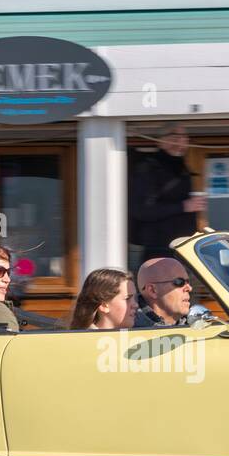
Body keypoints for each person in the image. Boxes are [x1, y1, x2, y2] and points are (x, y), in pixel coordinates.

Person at [128, 124, 206, 264]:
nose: (180, 141)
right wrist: (183, 206)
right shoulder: (148, 169)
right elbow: (141, 210)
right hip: (159, 250)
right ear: (161, 141)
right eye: (175, 136)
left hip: (184, 249)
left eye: (184, 137)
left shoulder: (183, 168)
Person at [69, 268, 137, 330]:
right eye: (127, 298)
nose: (136, 305)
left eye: (135, 298)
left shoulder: (137, 338)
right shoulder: (83, 341)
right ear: (104, 305)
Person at [134, 256, 192, 327]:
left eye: (188, 282)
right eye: (179, 282)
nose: (189, 288)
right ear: (152, 291)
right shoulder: (128, 330)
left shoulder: (197, 325)